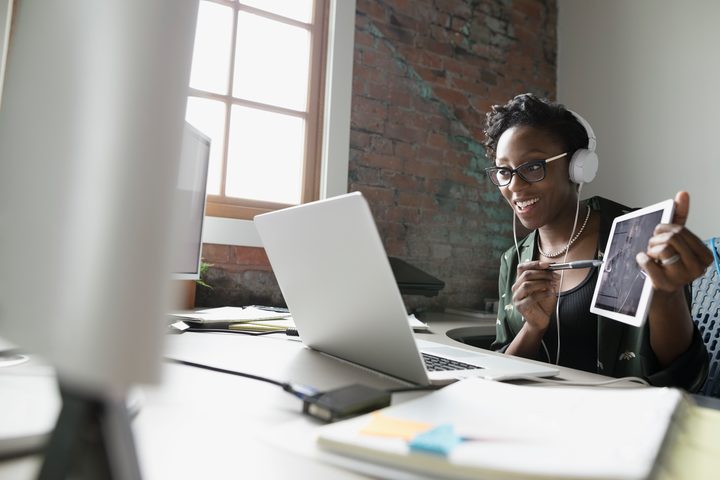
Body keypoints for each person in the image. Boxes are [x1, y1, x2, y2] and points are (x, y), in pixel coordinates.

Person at [483, 93, 711, 390]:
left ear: (578, 166)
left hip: (621, 421)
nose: (514, 185)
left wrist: (668, 297)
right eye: (504, 171)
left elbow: (681, 372)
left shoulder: (637, 235)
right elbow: (502, 377)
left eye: (533, 166)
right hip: (537, 419)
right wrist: (533, 328)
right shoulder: (513, 258)